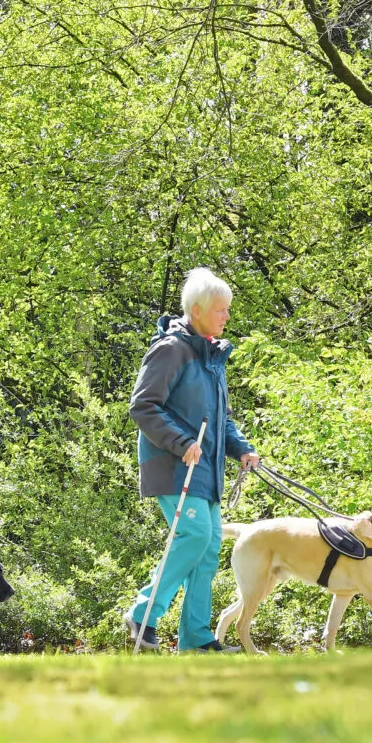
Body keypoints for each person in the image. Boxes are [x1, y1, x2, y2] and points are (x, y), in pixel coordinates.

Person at [126, 267, 259, 652]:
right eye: (222, 310)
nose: (227, 317)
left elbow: (221, 419)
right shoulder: (171, 350)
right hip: (173, 464)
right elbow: (143, 406)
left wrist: (242, 448)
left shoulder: (211, 356)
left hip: (207, 468)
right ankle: (143, 614)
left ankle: (197, 638)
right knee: (195, 535)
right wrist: (182, 441)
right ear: (197, 310)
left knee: (208, 543)